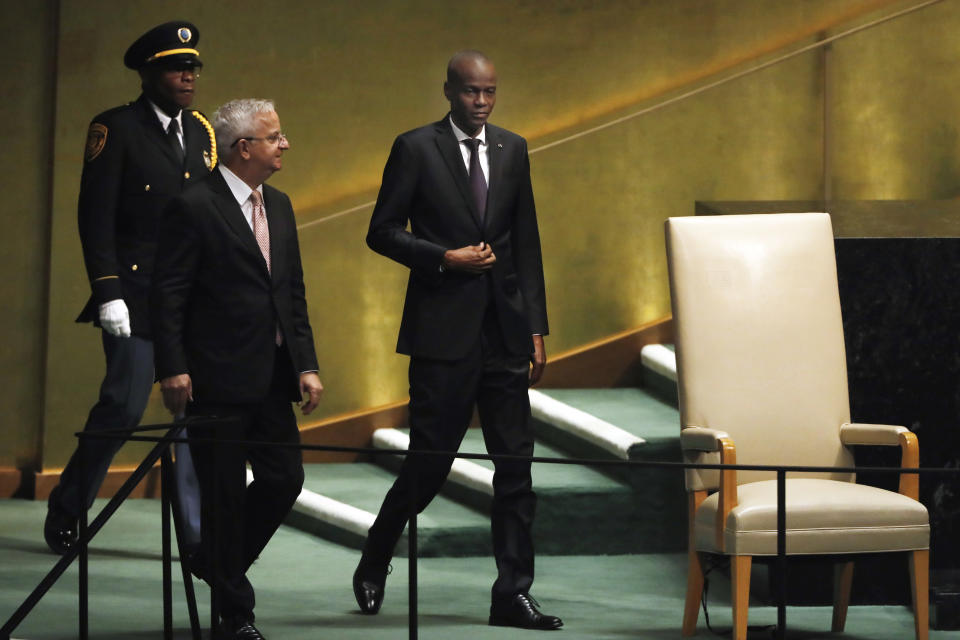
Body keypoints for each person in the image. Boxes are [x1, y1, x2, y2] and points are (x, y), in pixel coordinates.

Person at [355, 50, 562, 631]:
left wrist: (537, 327)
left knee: (516, 467)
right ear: (449, 91)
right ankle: (378, 549)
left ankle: (512, 593)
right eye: (471, 91)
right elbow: (382, 232)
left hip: (504, 331)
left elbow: (526, 242)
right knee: (429, 464)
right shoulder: (416, 147)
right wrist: (442, 257)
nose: (481, 102)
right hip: (442, 332)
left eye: (490, 92)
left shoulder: (513, 148)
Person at [151, 98, 323, 640]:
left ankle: (215, 562)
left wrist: (306, 365)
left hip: (272, 375)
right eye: (275, 137)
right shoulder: (194, 205)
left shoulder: (283, 205)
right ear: (243, 148)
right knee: (222, 495)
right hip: (215, 378)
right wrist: (172, 367)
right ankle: (236, 613)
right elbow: (169, 295)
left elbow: (291, 294)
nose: (285, 144)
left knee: (284, 479)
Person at [44, 21, 212, 556]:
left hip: (189, 299)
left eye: (192, 67)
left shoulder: (203, 131)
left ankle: (195, 532)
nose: (188, 75)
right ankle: (69, 503)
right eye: (175, 67)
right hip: (134, 296)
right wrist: (107, 290)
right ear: (148, 74)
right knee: (122, 406)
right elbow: (94, 218)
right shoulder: (115, 129)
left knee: (194, 413)